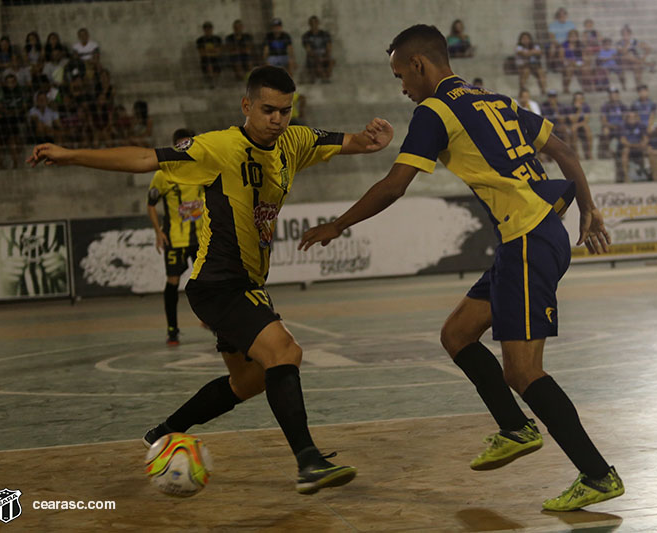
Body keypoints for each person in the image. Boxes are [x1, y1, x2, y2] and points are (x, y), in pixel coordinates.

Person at [298, 24, 624, 512]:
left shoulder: (434, 111)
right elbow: (564, 151)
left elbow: (394, 184)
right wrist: (588, 207)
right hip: (535, 234)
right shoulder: (493, 100)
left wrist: (338, 225)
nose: (402, 89)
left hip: (527, 239)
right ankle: (514, 428)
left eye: (400, 77)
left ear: (419, 65)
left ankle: (597, 475)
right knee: (457, 334)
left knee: (523, 371)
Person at [27, 65, 394, 495]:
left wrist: (372, 141)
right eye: (268, 110)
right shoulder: (217, 147)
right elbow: (146, 159)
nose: (277, 120)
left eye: (285, 111)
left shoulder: (294, 141)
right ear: (246, 106)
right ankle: (308, 461)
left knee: (249, 382)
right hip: (218, 284)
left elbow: (348, 141)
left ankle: (164, 431)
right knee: (285, 353)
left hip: (247, 284)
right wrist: (70, 154)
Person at [146, 128, 205, 345]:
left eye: (189, 144)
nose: (186, 149)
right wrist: (158, 231)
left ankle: (212, 321)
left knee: (211, 280)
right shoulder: (163, 174)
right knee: (173, 282)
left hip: (202, 238)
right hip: (175, 239)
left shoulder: (203, 168)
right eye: (182, 145)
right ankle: (172, 329)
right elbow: (151, 204)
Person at [619, 110, 657, 182]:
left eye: (633, 117)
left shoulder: (641, 125)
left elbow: (646, 139)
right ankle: (626, 177)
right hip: (629, 147)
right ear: (627, 118)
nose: (631, 118)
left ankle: (655, 176)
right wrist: (633, 145)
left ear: (637, 118)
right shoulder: (623, 126)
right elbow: (623, 140)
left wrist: (641, 144)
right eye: (629, 117)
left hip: (640, 146)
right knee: (625, 151)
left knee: (651, 150)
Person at [302, 15, 334, 83]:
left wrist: (325, 56)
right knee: (316, 61)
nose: (314, 24)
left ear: (318, 23)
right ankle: (323, 77)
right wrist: (318, 57)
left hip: (324, 55)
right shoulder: (306, 36)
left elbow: (329, 48)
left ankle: (326, 75)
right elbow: (308, 50)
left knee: (331, 60)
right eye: (312, 23)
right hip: (313, 57)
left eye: (315, 22)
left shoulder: (325, 34)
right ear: (309, 24)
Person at [598, 87, 626, 159]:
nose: (613, 96)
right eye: (611, 94)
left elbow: (625, 119)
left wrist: (619, 126)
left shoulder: (623, 106)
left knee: (625, 132)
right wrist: (611, 126)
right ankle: (609, 152)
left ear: (618, 95)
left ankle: (620, 153)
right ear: (609, 96)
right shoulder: (605, 106)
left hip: (620, 128)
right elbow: (603, 120)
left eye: (615, 94)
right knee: (605, 131)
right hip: (609, 127)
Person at [196, 21, 222, 88]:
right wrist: (212, 51)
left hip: (216, 59)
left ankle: (214, 82)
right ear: (204, 30)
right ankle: (212, 82)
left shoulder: (217, 39)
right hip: (206, 60)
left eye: (209, 29)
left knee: (214, 63)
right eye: (206, 29)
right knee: (208, 63)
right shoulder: (200, 40)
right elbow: (202, 53)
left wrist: (207, 51)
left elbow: (218, 52)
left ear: (212, 29)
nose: (208, 30)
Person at [568, 91, 592, 159]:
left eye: (580, 99)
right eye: (577, 99)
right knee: (573, 129)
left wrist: (577, 125)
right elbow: (573, 120)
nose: (579, 101)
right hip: (573, 127)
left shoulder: (586, 107)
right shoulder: (570, 108)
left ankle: (589, 153)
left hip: (581, 126)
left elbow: (586, 121)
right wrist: (578, 110)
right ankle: (576, 153)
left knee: (587, 128)